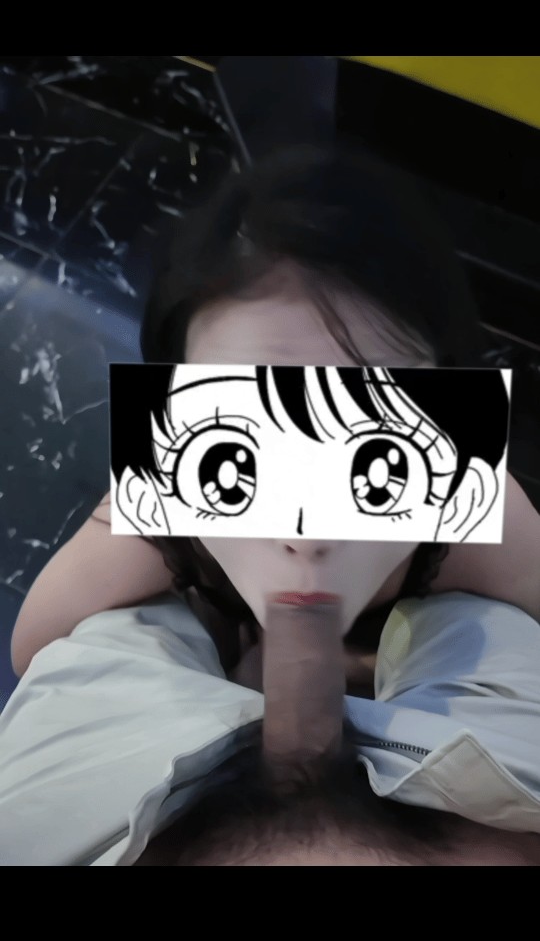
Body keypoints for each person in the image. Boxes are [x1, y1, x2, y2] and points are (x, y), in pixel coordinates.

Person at [10, 142, 540, 864]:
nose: (306, 531)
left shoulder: (482, 522)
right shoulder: (158, 509)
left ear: (448, 431)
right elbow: (37, 640)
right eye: (240, 446)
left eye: (377, 443)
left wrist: (354, 664)